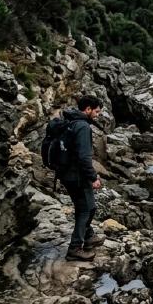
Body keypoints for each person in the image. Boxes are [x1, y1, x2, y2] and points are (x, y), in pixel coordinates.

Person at [60, 94, 104, 261]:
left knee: (85, 207)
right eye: (97, 111)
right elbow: (84, 157)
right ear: (88, 109)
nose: (97, 115)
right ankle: (75, 248)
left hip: (66, 174)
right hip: (76, 175)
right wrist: (93, 177)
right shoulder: (83, 127)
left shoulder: (69, 121)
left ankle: (89, 235)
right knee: (86, 209)